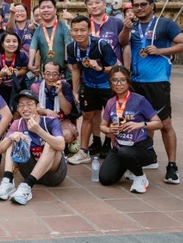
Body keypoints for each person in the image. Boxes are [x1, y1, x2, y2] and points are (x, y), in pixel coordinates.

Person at [119, 0, 183, 184]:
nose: (139, 8)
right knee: (138, 122)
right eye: (136, 5)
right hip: (136, 82)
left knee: (165, 124)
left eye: (143, 4)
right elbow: (122, 42)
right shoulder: (132, 26)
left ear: (152, 5)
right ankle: (148, 158)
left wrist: (160, 50)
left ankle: (172, 167)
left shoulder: (165, 24)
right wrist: (125, 28)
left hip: (157, 82)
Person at [0, 90, 67, 205]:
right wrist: (11, 137)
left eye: (29, 104)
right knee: (13, 139)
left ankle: (27, 186)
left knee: (51, 144)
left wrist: (39, 131)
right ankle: (8, 182)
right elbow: (0, 149)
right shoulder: (17, 123)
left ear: (38, 106)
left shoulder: (50, 121)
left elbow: (61, 145)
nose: (25, 108)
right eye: (21, 105)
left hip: (53, 174)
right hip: (29, 170)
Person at [99, 66, 164, 193]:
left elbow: (159, 124)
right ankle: (128, 166)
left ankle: (140, 177)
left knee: (126, 153)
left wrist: (140, 124)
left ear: (128, 81)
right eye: (115, 80)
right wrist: (109, 129)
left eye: (122, 80)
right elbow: (102, 126)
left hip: (140, 147)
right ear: (110, 83)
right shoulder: (110, 103)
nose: (119, 84)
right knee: (106, 179)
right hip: (119, 147)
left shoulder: (139, 100)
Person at [66, 15, 118, 165]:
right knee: (87, 116)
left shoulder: (101, 45)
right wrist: (75, 90)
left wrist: (100, 68)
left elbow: (115, 68)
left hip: (107, 86)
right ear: (71, 31)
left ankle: (113, 149)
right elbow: (76, 69)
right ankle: (84, 151)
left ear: (89, 30)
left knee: (111, 117)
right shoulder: (71, 47)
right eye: (75, 30)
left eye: (82, 30)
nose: (79, 33)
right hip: (89, 86)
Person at [29, 61, 78, 149]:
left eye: (55, 74)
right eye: (48, 74)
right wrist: (45, 111)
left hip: (60, 121)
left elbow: (67, 111)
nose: (51, 77)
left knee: (67, 135)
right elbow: (33, 109)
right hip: (42, 121)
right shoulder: (36, 87)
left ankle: (55, 146)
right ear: (43, 74)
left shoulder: (65, 86)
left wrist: (60, 93)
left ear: (60, 76)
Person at [27, 0, 71, 79]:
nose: (46, 10)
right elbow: (33, 46)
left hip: (63, 71)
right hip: (46, 73)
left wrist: (67, 61)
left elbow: (68, 44)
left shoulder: (63, 27)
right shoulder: (38, 30)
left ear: (55, 10)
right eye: (43, 8)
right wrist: (30, 63)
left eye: (49, 7)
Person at [0, 31, 29, 108]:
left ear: (18, 43)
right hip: (2, 88)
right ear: (2, 44)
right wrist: (1, 75)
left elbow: (26, 69)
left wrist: (18, 73)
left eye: (14, 41)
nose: (11, 44)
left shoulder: (22, 55)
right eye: (8, 41)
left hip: (18, 86)